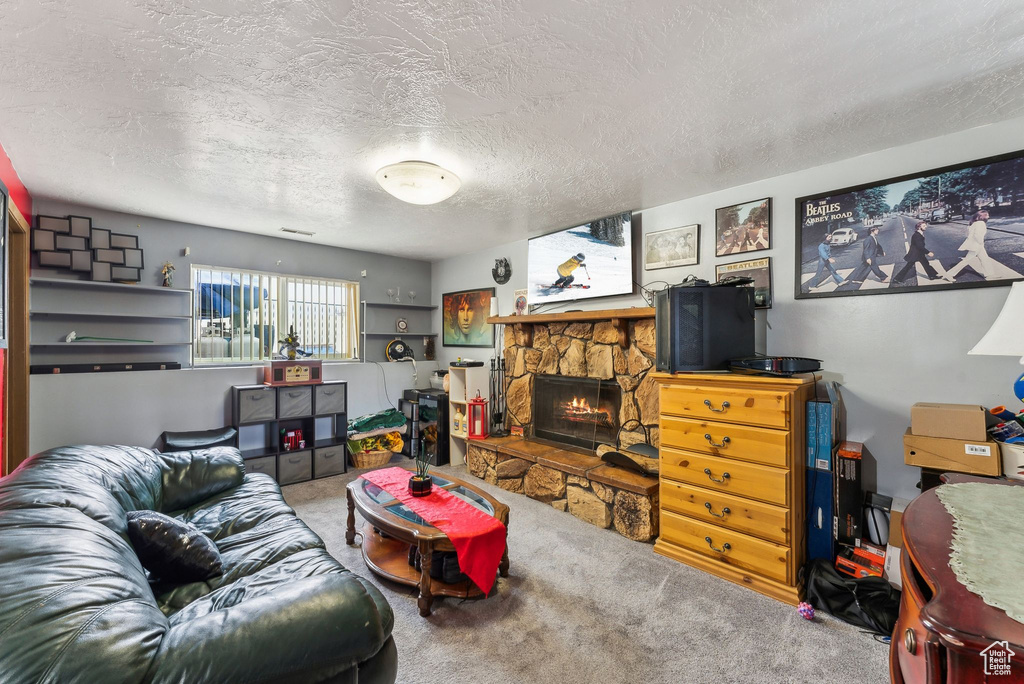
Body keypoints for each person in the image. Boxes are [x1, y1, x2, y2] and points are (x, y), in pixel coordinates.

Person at [942, 210, 997, 282]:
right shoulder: (981, 223)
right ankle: (949, 274)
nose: (988, 217)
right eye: (987, 215)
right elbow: (977, 235)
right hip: (977, 245)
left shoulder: (973, 223)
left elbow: (968, 235)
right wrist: (981, 242)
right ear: (981, 216)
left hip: (975, 244)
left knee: (984, 259)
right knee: (966, 261)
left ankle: (990, 274)